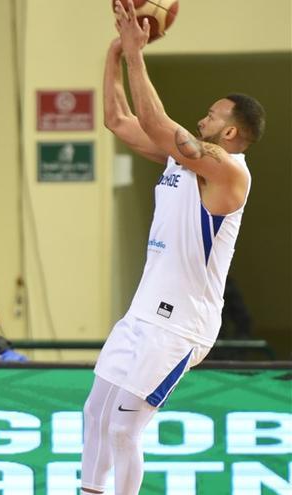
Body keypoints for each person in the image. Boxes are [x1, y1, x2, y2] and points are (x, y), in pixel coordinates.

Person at [80, 2, 266, 494]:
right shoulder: (181, 161)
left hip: (180, 325)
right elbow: (118, 119)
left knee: (124, 428)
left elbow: (155, 120)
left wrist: (137, 55)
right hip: (143, 312)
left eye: (212, 114)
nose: (203, 117)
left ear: (229, 132)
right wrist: (114, 51)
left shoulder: (229, 171)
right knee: (95, 414)